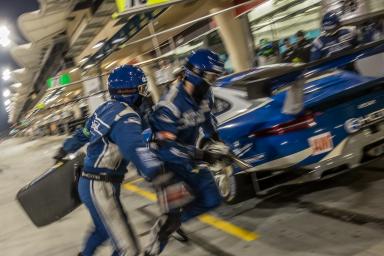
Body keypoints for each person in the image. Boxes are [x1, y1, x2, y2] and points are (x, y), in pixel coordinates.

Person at [53, 65, 162, 256]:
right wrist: (157, 173)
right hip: (100, 186)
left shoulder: (104, 109)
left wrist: (64, 148)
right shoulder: (126, 117)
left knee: (103, 230)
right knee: (127, 248)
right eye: (142, 89)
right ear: (130, 91)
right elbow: (134, 148)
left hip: (89, 183)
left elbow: (83, 133)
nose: (145, 95)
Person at [144, 49, 230, 256]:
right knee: (170, 217)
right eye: (211, 76)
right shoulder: (169, 104)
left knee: (212, 199)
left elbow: (207, 119)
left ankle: (174, 223)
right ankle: (154, 245)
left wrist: (215, 141)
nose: (214, 81)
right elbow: (167, 148)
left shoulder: (205, 95)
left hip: (189, 157)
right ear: (195, 73)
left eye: (216, 77)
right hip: (165, 163)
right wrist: (203, 155)